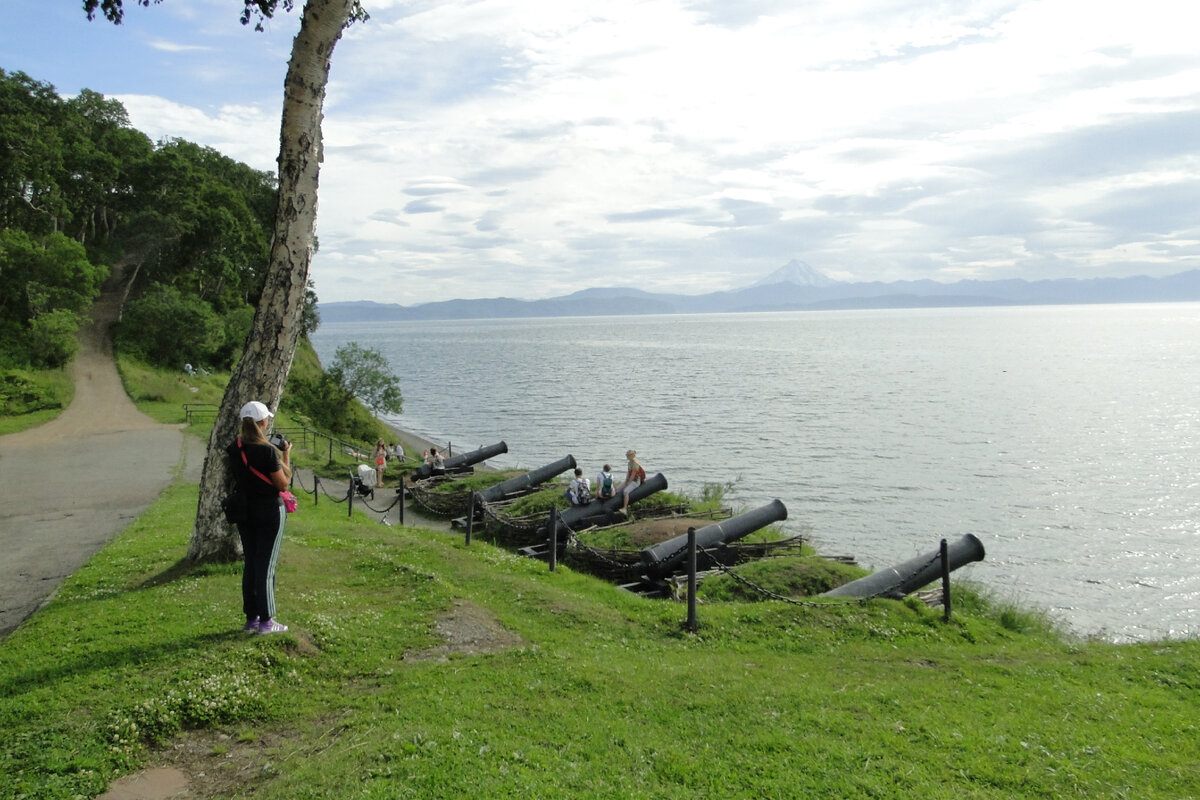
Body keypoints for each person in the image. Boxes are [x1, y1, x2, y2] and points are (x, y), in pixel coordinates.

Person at [227, 400, 292, 635]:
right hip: (268, 511)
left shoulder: (234, 448)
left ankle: (251, 618)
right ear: (263, 423)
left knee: (252, 564)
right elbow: (283, 483)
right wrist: (285, 456)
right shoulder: (265, 450)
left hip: (246, 511)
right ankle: (267, 620)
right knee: (267, 565)